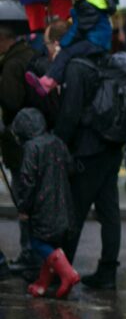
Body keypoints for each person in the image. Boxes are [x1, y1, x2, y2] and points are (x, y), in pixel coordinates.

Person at [53, 33, 124, 289]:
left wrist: (58, 142)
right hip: (112, 147)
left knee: (75, 213)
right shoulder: (107, 60)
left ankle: (63, 271)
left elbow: (70, 112)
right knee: (109, 212)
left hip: (87, 150)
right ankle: (108, 272)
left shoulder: (76, 67)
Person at [12, 108, 79, 298]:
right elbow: (70, 167)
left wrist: (23, 207)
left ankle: (67, 273)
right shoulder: (56, 141)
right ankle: (43, 283)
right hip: (62, 204)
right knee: (51, 242)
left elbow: (27, 181)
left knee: (38, 242)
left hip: (42, 207)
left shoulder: (31, 148)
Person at [0, 18, 43, 275]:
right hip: (32, 137)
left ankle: (30, 253)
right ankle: (35, 252)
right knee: (32, 196)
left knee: (23, 198)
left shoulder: (13, 63)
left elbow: (10, 99)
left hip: (17, 142)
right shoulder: (28, 54)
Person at [25, 0, 113, 97]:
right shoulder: (91, 5)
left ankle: (48, 82)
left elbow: (78, 30)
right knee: (67, 52)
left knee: (66, 52)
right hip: (94, 40)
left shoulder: (88, 8)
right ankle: (50, 81)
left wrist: (64, 43)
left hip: (95, 42)